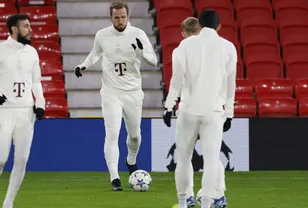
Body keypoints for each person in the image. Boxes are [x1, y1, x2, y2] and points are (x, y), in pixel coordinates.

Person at [74, 0, 157, 191]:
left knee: (135, 136)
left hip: (133, 92)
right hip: (111, 92)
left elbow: (153, 60)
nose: (120, 20)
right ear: (111, 17)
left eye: (123, 17)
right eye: (116, 17)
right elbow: (95, 54)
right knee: (112, 133)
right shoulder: (102, 35)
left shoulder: (138, 34)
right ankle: (114, 177)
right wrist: (83, 65)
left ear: (128, 16)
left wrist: (142, 51)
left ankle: (131, 160)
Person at [163, 10, 237, 208]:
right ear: (219, 26)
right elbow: (231, 85)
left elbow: (176, 80)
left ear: (200, 25)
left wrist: (169, 106)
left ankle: (182, 203)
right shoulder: (229, 48)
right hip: (213, 112)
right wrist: (229, 113)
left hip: (188, 110)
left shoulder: (185, 45)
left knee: (183, 158)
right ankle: (207, 203)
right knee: (212, 161)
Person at [0, 14, 45, 208]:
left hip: (26, 112)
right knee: (0, 159)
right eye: (25, 26)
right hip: (4, 110)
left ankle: (8, 202)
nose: (30, 29)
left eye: (30, 25)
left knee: (22, 159)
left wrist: (40, 103)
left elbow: (36, 82)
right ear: (14, 29)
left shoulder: (32, 52)